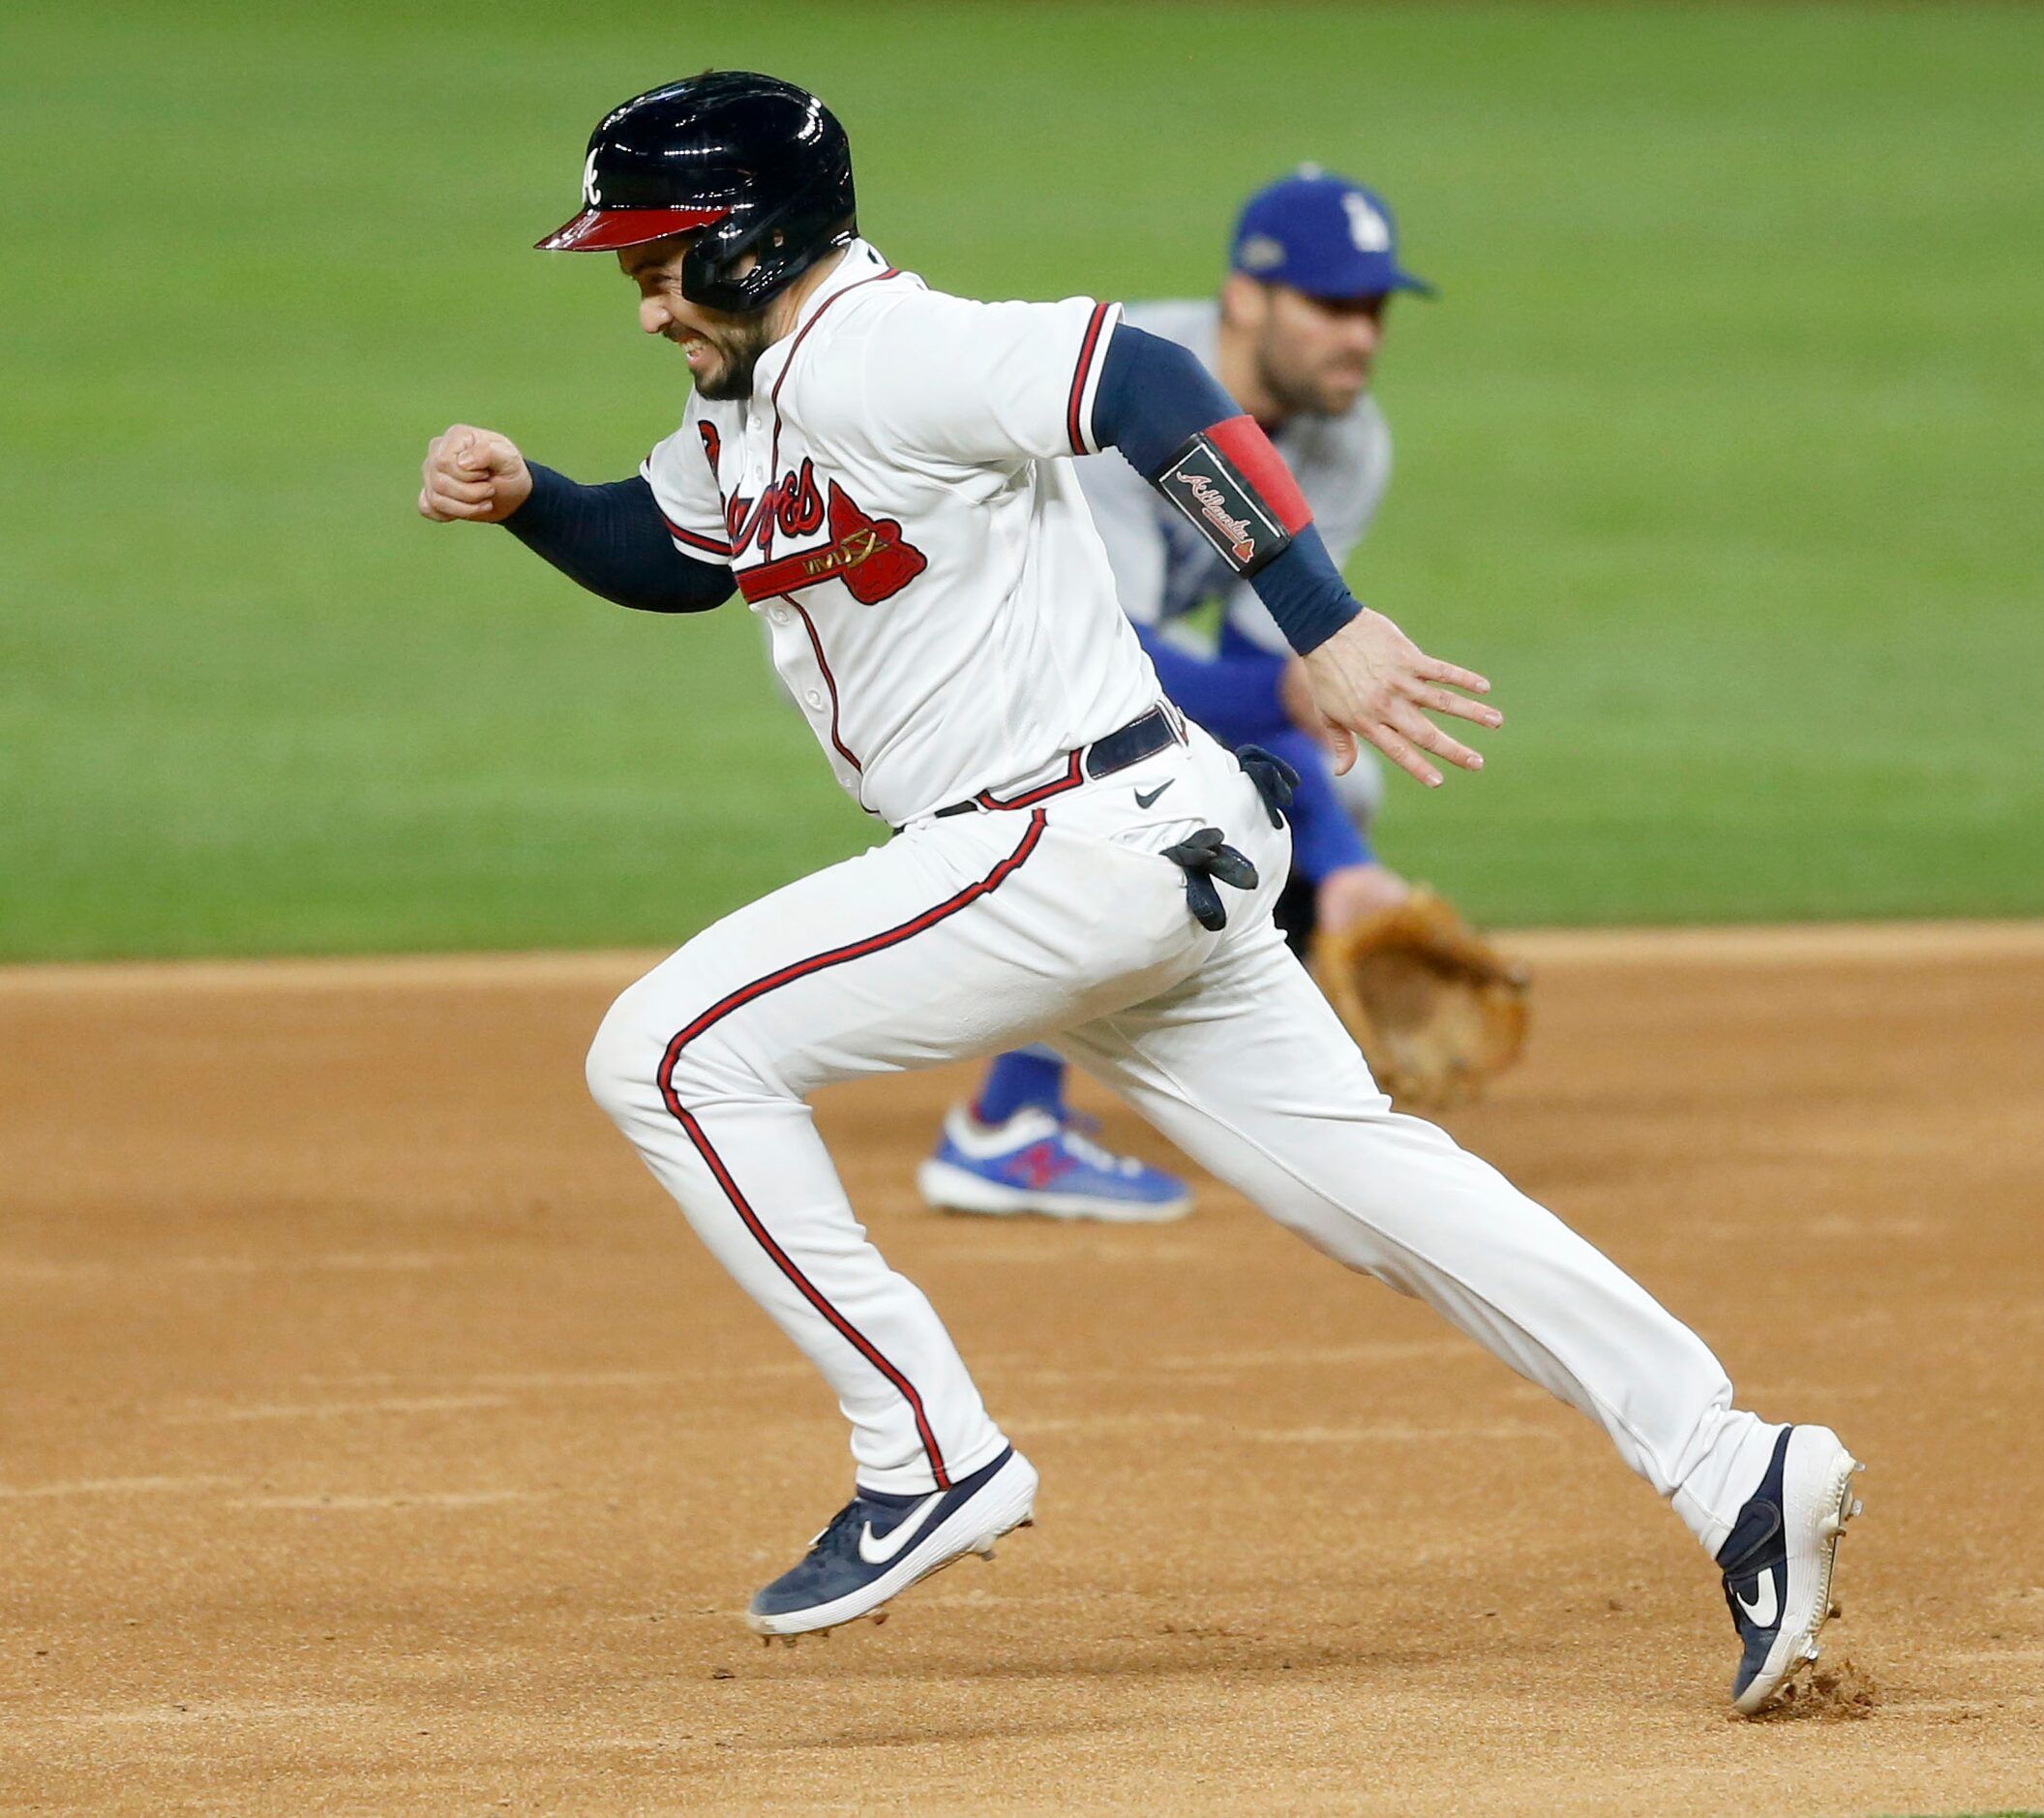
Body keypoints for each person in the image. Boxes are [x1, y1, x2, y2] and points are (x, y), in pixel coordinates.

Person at [415, 72, 1858, 1714]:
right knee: (1379, 1195)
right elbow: (677, 550)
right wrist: (532, 500)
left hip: (1052, 841)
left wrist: (1319, 616)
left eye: (661, 262)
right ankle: (1740, 1467)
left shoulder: (883, 345)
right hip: (1133, 857)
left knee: (669, 1051)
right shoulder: (747, 400)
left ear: (754, 239)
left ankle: (927, 1446)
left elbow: (1149, 379)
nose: (647, 298)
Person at [919, 167, 1424, 1225]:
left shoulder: (1346, 438)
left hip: (1072, 663)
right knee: (1117, 808)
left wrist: (1345, 872)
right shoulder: (1128, 398)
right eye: (1331, 307)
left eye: (1372, 309)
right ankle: (1005, 1124)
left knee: (1325, 791)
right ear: (1247, 298)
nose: (1361, 338)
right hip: (921, 651)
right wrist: (1323, 823)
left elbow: (1284, 690)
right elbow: (1133, 669)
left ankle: (1250, 1074)